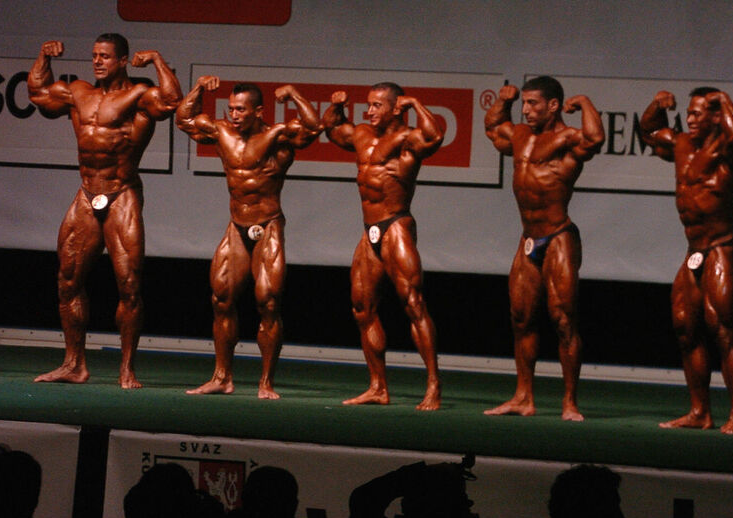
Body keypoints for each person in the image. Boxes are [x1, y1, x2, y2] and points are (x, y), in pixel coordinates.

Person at [27, 33, 181, 388]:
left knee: (128, 285)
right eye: (95, 55)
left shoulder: (139, 96)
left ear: (123, 60)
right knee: (68, 280)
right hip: (86, 193)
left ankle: (126, 368)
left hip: (121, 193)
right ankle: (74, 364)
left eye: (106, 57)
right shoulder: (79, 92)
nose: (97, 61)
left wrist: (158, 59)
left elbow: (172, 101)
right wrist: (43, 57)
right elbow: (37, 93)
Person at [175, 77, 320, 399]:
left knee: (268, 302)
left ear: (258, 110)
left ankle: (266, 382)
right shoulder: (222, 132)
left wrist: (295, 92)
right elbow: (183, 119)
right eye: (231, 109)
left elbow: (312, 128)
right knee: (221, 299)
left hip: (267, 225)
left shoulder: (276, 136)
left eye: (241, 109)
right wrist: (198, 88)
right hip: (236, 227)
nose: (235, 114)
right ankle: (222, 377)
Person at [483, 76, 603, 421]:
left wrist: (584, 103)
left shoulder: (566, 139)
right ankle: (523, 397)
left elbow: (595, 138)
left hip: (559, 236)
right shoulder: (519, 135)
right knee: (521, 319)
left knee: (563, 319)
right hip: (528, 238)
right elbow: (493, 128)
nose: (526, 110)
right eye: (524, 104)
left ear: (553, 105)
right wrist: (503, 102)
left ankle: (569, 403)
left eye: (533, 103)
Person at [322, 83, 444, 409]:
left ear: (394, 109)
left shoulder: (407, 140)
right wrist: (338, 107)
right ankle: (378, 386)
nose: (370, 111)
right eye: (369, 105)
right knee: (362, 309)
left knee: (413, 304)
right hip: (369, 232)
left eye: (377, 105)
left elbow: (434, 137)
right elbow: (332, 129)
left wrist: (416, 102)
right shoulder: (362, 134)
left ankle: (433, 385)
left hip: (396, 226)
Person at [638, 88, 733, 434]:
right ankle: (700, 411)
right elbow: (649, 132)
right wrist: (656, 105)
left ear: (716, 116)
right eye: (688, 113)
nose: (690, 118)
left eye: (699, 112)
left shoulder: (727, 150)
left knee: (722, 330)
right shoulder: (683, 145)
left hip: (720, 248)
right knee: (685, 327)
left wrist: (722, 97)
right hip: (693, 250)